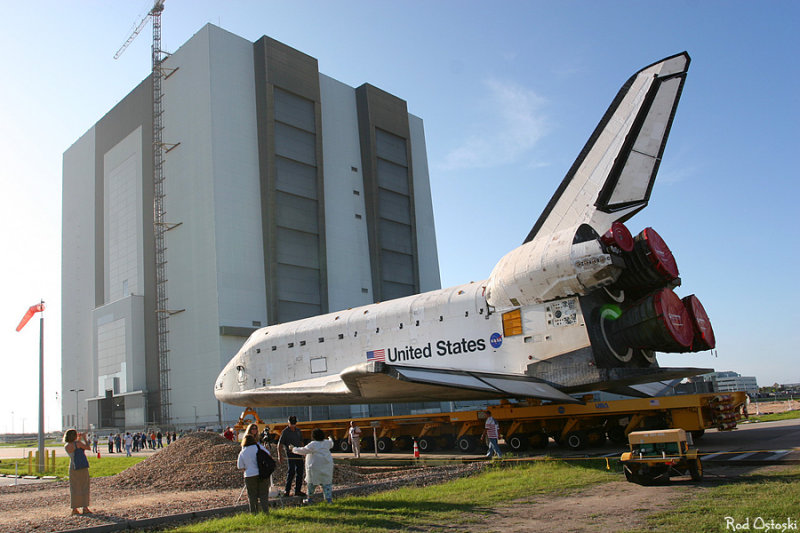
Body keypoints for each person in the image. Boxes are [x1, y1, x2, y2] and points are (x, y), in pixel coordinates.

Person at [290, 428, 334, 504]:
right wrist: (330, 437)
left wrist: (293, 448)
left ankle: (310, 499)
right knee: (327, 485)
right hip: (327, 467)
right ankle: (328, 500)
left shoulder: (313, 444)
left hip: (314, 469)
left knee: (311, 485)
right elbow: (331, 443)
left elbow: (302, 450)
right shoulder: (327, 443)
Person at [237, 423, 271, 514]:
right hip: (261, 473)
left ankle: (254, 513)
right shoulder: (258, 447)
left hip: (249, 475)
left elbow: (240, 466)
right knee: (263, 495)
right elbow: (268, 455)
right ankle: (265, 512)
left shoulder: (242, 452)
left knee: (252, 496)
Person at [63, 429, 92, 515]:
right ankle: (85, 507)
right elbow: (88, 447)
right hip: (82, 467)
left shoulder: (67, 446)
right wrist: (84, 438)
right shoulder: (78, 444)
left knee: (74, 487)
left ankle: (74, 508)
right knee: (84, 486)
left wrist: (78, 439)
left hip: (73, 466)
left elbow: (75, 448)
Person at [277, 416, 305, 497]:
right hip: (290, 453)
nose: (293, 425)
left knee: (300, 471)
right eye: (291, 423)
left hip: (299, 453)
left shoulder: (298, 431)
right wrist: (280, 455)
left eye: (294, 423)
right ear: (288, 423)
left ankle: (298, 490)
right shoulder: (285, 432)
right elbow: (280, 444)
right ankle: (287, 490)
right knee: (291, 471)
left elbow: (301, 442)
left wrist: (303, 452)